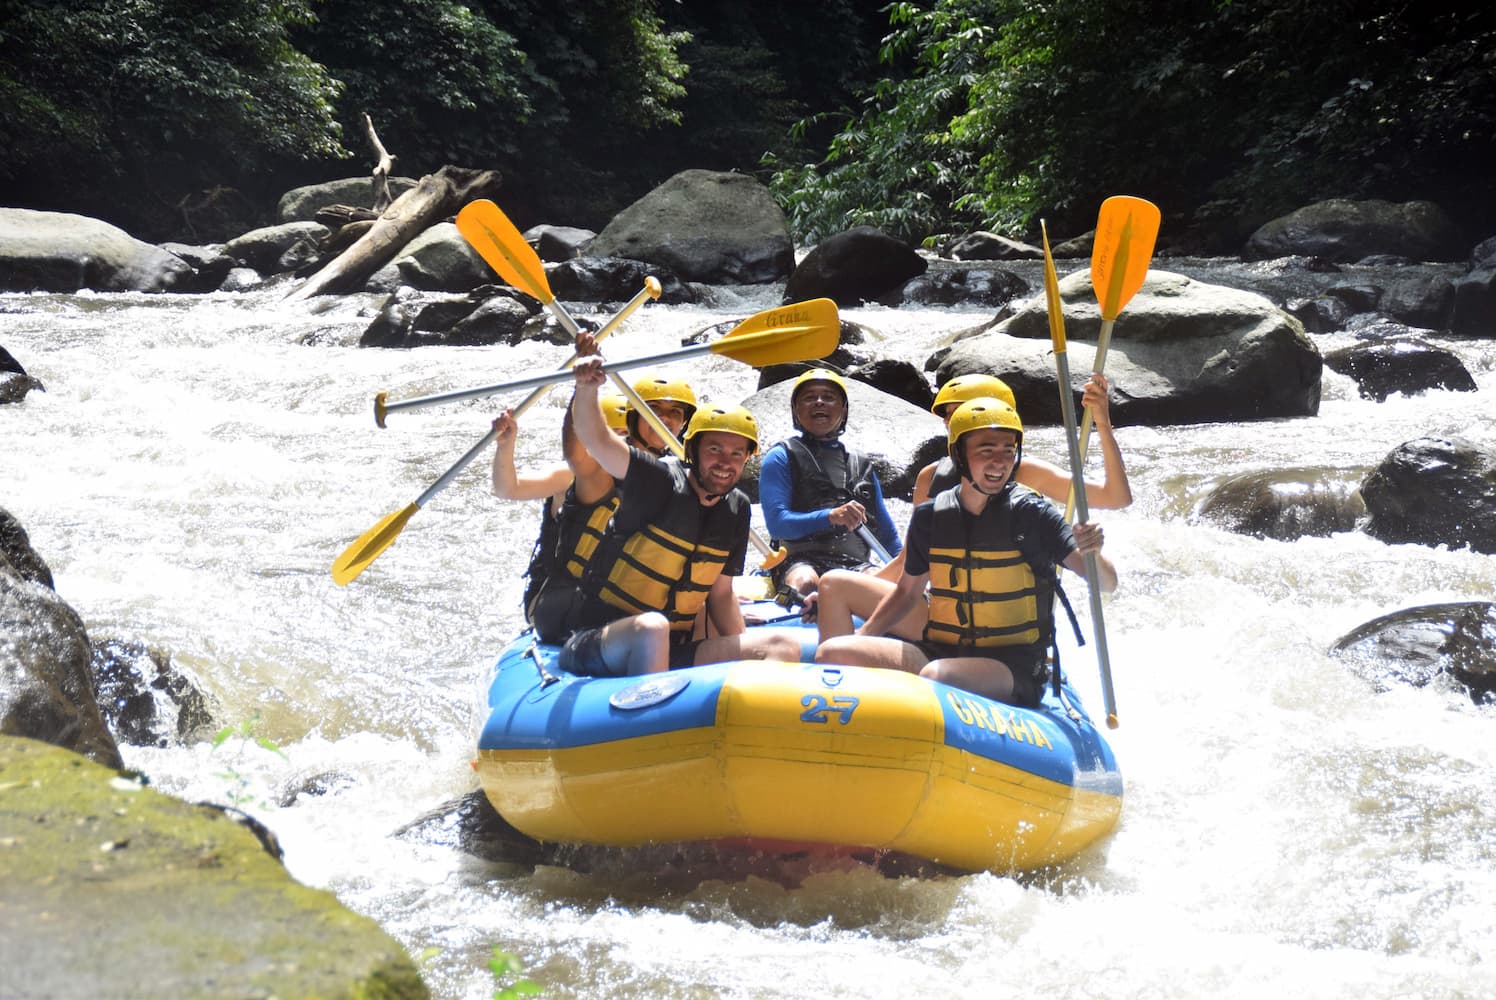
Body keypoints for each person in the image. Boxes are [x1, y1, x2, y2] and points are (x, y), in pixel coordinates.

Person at [814, 397, 1117, 706]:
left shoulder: (1032, 514)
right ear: (959, 454)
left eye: (1008, 450)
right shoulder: (930, 517)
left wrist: (1093, 552)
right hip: (941, 652)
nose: (1000, 461)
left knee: (938, 677)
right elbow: (906, 594)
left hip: (1013, 665)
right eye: (987, 450)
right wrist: (862, 637)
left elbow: (1106, 583)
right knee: (834, 652)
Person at [530, 352, 802, 676]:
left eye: (736, 453)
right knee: (652, 628)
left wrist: (740, 651)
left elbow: (721, 595)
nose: (724, 462)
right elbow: (597, 441)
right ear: (692, 450)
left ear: (746, 460)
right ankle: (648, 719)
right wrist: (586, 388)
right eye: (714, 449)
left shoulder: (737, 508)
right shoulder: (655, 479)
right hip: (596, 639)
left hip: (674, 648)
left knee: (781, 647)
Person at [808, 370, 1131, 642]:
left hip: (1004, 620)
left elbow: (1114, 497)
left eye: (960, 413)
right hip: (941, 609)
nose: (952, 424)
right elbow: (909, 564)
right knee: (833, 584)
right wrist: (842, 597)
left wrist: (1102, 423)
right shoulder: (931, 477)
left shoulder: (1026, 473)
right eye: (949, 417)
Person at [757, 368, 902, 600]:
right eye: (809, 397)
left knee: (880, 581)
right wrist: (831, 516)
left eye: (829, 397)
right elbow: (777, 525)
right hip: (799, 561)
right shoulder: (780, 456)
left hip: (854, 564)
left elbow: (887, 534)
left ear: (843, 410)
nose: (819, 403)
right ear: (796, 410)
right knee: (806, 582)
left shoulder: (861, 463)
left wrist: (907, 568)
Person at [492, 392, 628, 623]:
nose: (617, 445)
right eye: (611, 436)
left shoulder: (648, 477)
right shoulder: (567, 476)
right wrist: (506, 446)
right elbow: (508, 489)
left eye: (625, 436)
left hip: (612, 591)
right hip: (556, 594)